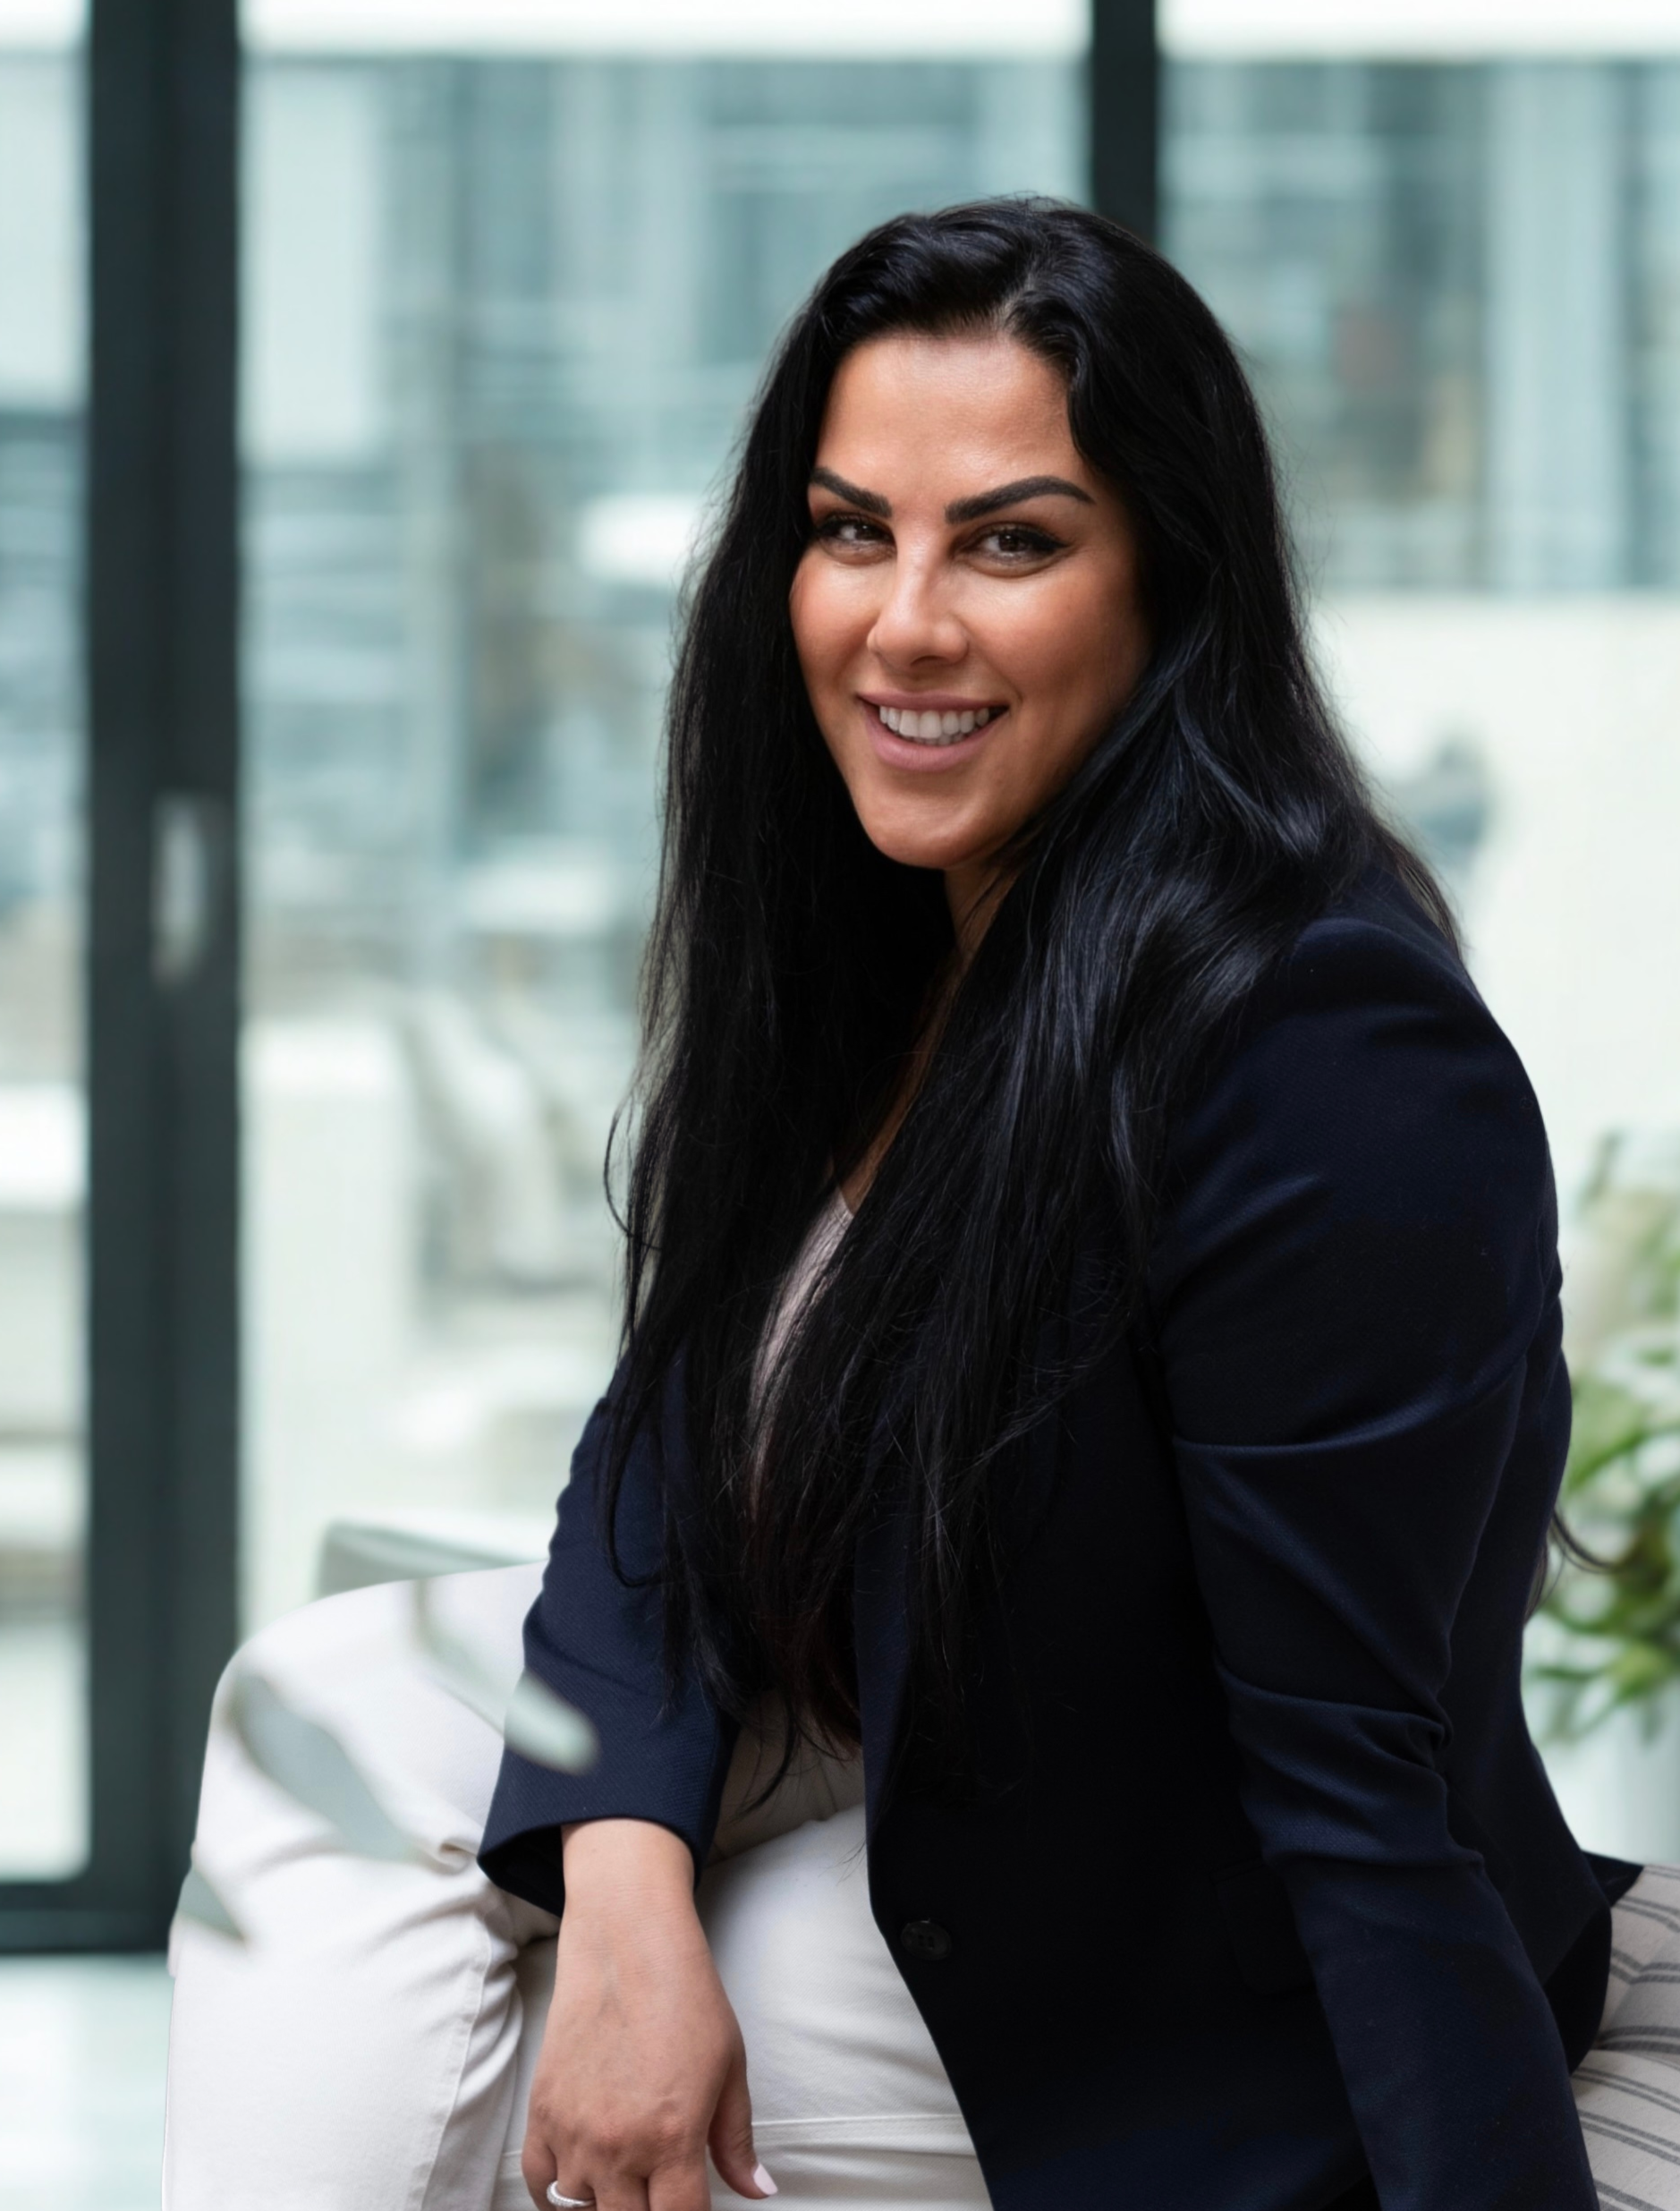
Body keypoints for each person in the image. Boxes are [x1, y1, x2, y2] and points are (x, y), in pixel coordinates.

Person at [165, 200, 1635, 2211]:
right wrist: (627, 1894)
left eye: (1009, 542)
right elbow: (672, 1435)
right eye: (852, 530)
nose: (905, 621)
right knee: (319, 1691)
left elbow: (1351, 1777)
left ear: (1171, 581)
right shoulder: (884, 928)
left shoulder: (1327, 1046)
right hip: (895, 1722)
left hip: (1169, 1948)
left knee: (469, 2037)